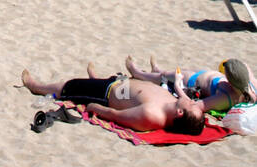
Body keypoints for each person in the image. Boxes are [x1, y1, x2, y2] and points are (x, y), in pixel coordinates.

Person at [21, 63, 206, 135]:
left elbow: (117, 115)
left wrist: (95, 108)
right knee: (115, 81)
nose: (192, 101)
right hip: (121, 86)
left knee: (70, 86)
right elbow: (180, 92)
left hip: (106, 93)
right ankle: (96, 78)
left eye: (192, 105)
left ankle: (35, 86)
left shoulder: (152, 115)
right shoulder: (174, 103)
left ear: (180, 112)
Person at [125, 55, 256, 114]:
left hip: (191, 81)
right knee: (167, 73)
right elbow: (245, 66)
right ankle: (155, 71)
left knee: (165, 76)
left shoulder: (224, 97)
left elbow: (194, 106)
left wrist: (177, 84)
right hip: (203, 75)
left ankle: (137, 73)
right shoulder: (252, 85)